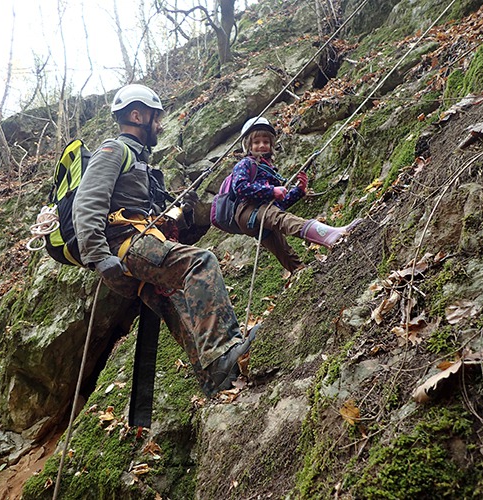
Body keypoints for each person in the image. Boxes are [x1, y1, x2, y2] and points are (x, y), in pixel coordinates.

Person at [72, 84, 255, 397]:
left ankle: (217, 380)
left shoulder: (142, 165)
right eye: (156, 118)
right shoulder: (113, 150)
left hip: (136, 248)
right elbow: (87, 202)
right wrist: (98, 255)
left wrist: (183, 213)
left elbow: (155, 217)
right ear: (137, 115)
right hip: (124, 246)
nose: (160, 125)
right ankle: (224, 351)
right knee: (200, 263)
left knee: (178, 306)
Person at [232, 116, 362, 273]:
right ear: (248, 145)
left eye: (266, 142)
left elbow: (281, 202)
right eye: (256, 142)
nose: (262, 145)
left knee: (280, 246)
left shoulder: (270, 170)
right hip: (248, 210)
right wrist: (272, 190)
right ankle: (329, 235)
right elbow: (240, 187)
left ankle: (299, 271)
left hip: (263, 211)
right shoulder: (245, 164)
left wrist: (299, 190)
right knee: (281, 219)